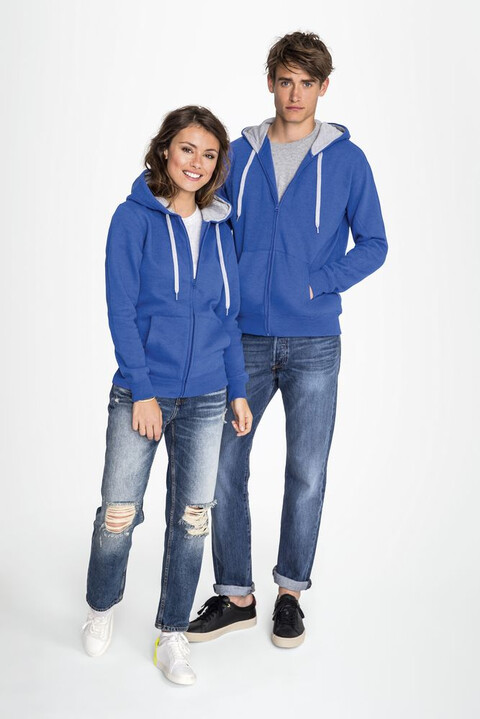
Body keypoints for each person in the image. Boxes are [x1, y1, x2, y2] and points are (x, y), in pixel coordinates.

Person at [186, 32, 388, 648]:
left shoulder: (347, 161)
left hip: (314, 343)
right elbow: (203, 217)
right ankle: (236, 595)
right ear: (270, 82)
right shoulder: (238, 155)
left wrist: (316, 284)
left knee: (306, 471)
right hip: (242, 340)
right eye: (284, 81)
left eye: (306, 83)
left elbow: (375, 244)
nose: (294, 94)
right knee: (223, 466)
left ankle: (290, 594)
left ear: (323, 87)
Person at [81, 105, 252, 685]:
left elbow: (228, 318)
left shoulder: (222, 227)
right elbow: (121, 310)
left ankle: (172, 631)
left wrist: (237, 389)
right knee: (119, 512)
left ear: (218, 164)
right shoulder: (132, 219)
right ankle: (100, 606)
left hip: (208, 396)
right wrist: (144, 392)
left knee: (193, 518)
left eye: (209, 154)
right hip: (143, 390)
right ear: (164, 151)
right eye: (187, 149)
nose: (196, 163)